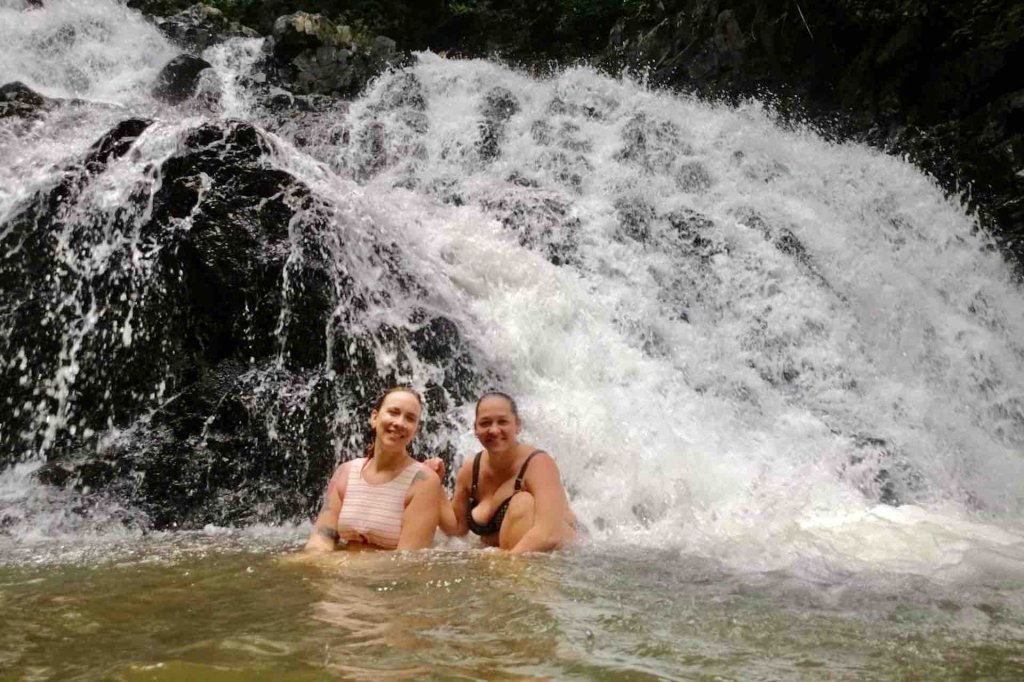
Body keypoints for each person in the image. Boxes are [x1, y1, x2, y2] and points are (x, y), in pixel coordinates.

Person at [303, 387, 444, 552]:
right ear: (375, 418)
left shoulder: (423, 481)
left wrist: (340, 565)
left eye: (410, 418)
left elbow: (408, 560)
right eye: (393, 412)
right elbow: (322, 537)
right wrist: (313, 561)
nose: (399, 423)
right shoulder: (346, 472)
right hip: (340, 573)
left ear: (416, 431)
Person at [437, 391, 577, 554]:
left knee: (522, 502)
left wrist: (504, 566)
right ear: (475, 429)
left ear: (517, 425)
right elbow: (457, 528)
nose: (494, 430)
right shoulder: (470, 470)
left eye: (502, 422)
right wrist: (435, 484)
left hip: (565, 555)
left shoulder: (538, 464)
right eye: (485, 423)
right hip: (514, 559)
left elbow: (548, 534)